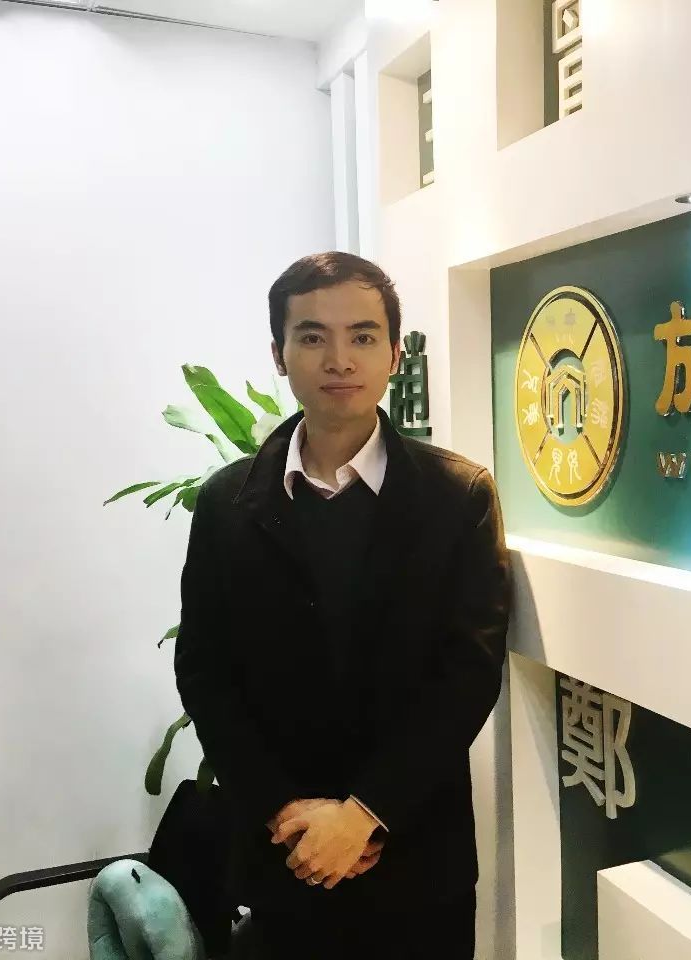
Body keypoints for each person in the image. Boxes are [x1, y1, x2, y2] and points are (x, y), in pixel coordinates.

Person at [173, 252, 512, 959]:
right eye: (312, 336)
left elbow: (468, 673)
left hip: (415, 856)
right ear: (279, 354)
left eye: (362, 336)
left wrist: (365, 813)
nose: (339, 359)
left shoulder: (457, 498)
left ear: (394, 353)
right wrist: (286, 814)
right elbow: (205, 670)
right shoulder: (228, 503)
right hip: (283, 857)